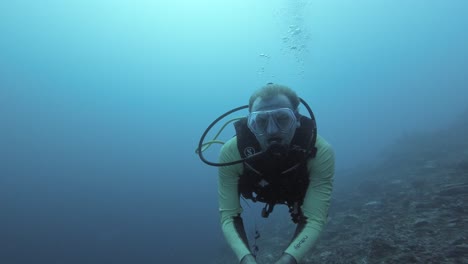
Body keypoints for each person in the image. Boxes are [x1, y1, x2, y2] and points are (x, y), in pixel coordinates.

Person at [217, 83, 335, 264]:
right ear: (250, 124)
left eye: (282, 118)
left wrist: (288, 260)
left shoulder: (319, 151)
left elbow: (314, 217)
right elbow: (229, 215)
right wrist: (245, 259)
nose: (272, 130)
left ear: (296, 119)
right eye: (261, 122)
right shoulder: (232, 153)